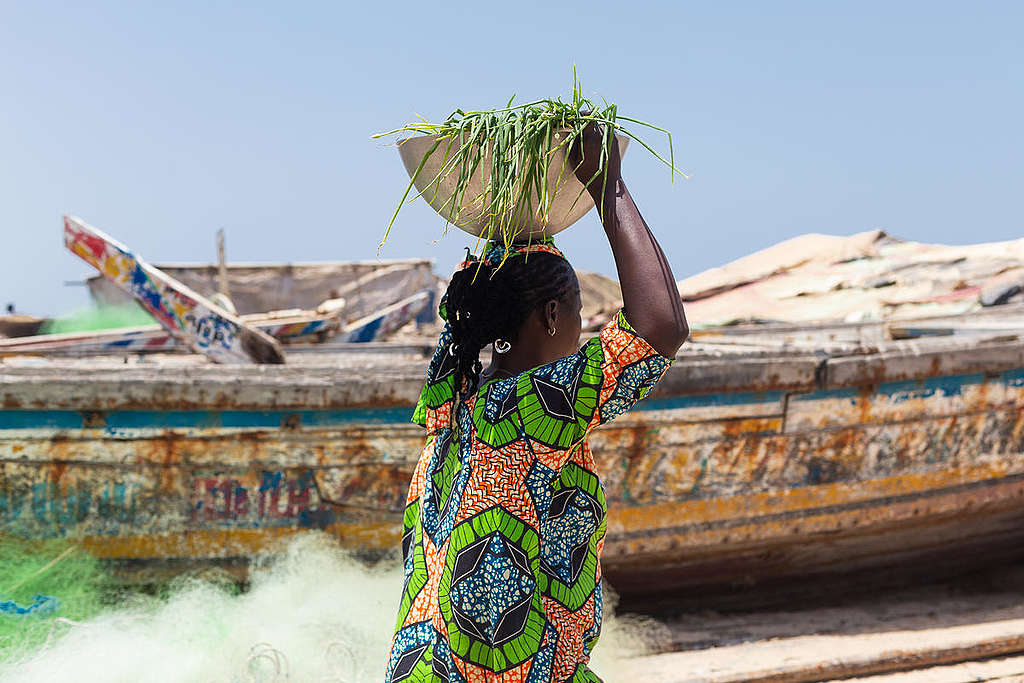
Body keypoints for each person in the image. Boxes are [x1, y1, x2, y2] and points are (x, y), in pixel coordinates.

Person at [386, 123, 689, 682]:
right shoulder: (532, 407)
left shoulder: (458, 404)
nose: (581, 329)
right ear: (553, 317)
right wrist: (608, 188)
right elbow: (661, 327)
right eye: (577, 315)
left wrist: (511, 238)